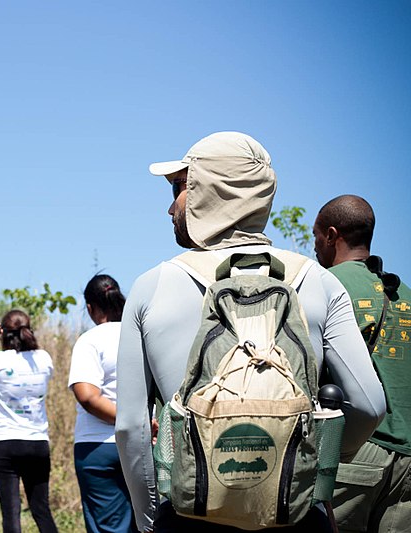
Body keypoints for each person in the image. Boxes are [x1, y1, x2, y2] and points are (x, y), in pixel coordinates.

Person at [115, 131, 387, 532]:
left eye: (179, 187)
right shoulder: (317, 281)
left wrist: (149, 518)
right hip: (291, 511)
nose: (170, 206)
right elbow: (369, 405)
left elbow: (131, 429)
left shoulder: (152, 286)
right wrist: (309, 459)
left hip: (191, 512)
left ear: (208, 189)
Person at [313, 195, 411, 532]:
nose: (315, 246)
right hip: (408, 463)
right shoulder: (405, 293)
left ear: (331, 234)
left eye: (315, 236)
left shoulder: (325, 285)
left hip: (354, 453)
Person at [0, 309, 58, 533]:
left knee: (11, 512)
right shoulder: (44, 359)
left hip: (5, 442)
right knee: (41, 509)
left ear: (3, 333)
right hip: (37, 442)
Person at [69, 274, 136, 533]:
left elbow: (88, 396)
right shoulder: (141, 335)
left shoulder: (90, 340)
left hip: (97, 447)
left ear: (90, 307)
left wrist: (125, 420)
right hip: (142, 444)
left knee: (110, 527)